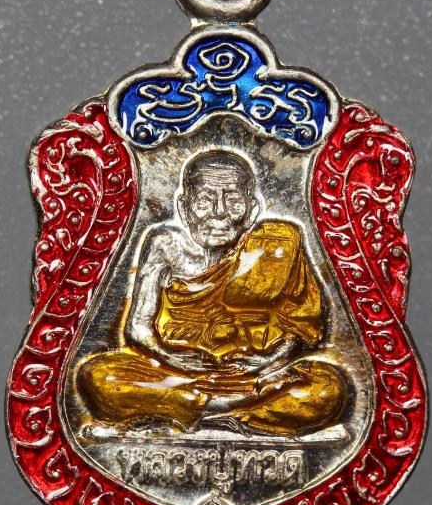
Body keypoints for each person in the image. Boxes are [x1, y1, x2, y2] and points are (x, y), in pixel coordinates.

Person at [78, 149, 347, 437]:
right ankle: (226, 408)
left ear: (252, 209)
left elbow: (301, 326)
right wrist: (170, 356)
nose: (219, 212)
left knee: (327, 388)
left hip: (256, 376)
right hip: (178, 373)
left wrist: (269, 361)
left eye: (233, 201)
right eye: (205, 200)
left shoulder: (278, 243)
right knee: (99, 376)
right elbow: (138, 326)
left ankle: (192, 412)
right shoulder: (164, 245)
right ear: (184, 208)